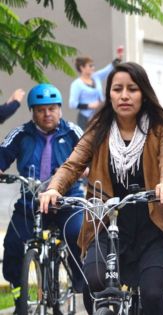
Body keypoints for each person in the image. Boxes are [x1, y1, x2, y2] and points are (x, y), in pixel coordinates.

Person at [39, 62, 163, 315]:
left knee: (153, 294)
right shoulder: (98, 129)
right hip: (106, 223)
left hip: (155, 224)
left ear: (143, 92)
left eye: (132, 89)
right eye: (117, 89)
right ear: (108, 94)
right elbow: (72, 164)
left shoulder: (161, 126)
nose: (124, 95)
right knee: (93, 285)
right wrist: (54, 188)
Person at [0, 83, 84, 312]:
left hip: (68, 202)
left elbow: (91, 158)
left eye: (51, 109)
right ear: (32, 112)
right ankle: (20, 295)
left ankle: (80, 283)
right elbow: (3, 155)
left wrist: (86, 171)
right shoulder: (21, 134)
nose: (47, 114)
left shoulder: (73, 132)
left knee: (78, 235)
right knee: (14, 246)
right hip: (31, 203)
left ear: (59, 109)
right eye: (40, 110)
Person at [69, 50, 123, 129]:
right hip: (85, 118)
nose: (93, 68)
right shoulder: (76, 84)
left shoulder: (96, 77)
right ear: (82, 68)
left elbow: (109, 68)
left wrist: (118, 57)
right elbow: (72, 103)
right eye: (90, 66)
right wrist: (89, 105)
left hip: (100, 114)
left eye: (93, 65)